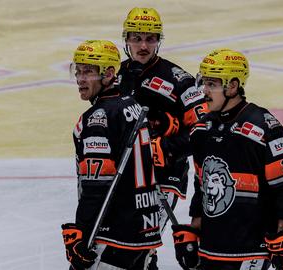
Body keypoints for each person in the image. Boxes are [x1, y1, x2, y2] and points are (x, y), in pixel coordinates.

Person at [171, 48, 283, 270]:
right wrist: (194, 228)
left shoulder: (262, 125)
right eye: (204, 83)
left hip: (251, 249)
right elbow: (202, 183)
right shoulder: (202, 129)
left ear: (233, 86)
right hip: (211, 247)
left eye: (212, 85)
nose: (204, 91)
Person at [117, 7, 209, 268]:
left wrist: (166, 147)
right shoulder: (116, 75)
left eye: (151, 38)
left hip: (163, 175)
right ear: (126, 40)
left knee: (142, 244)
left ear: (159, 41)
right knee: (125, 244)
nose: (143, 45)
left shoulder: (179, 80)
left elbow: (204, 130)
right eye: (136, 38)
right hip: (125, 174)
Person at [61, 40, 162, 270]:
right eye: (78, 71)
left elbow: (97, 185)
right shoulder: (132, 105)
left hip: (111, 234)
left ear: (108, 74)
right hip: (144, 230)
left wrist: (81, 233)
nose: (80, 78)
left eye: (88, 71)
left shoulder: (98, 118)